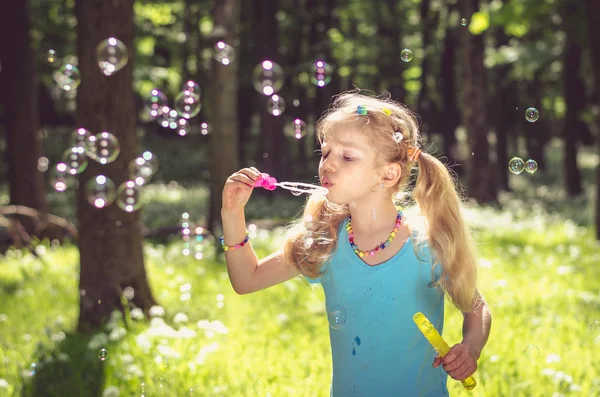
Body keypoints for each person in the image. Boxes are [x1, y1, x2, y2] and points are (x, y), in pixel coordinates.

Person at [220, 91, 492, 397]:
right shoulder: (326, 242)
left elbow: (477, 308)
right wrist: (232, 213)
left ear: (388, 174)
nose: (328, 165)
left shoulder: (426, 245)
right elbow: (247, 279)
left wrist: (470, 348)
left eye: (347, 156)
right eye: (325, 153)